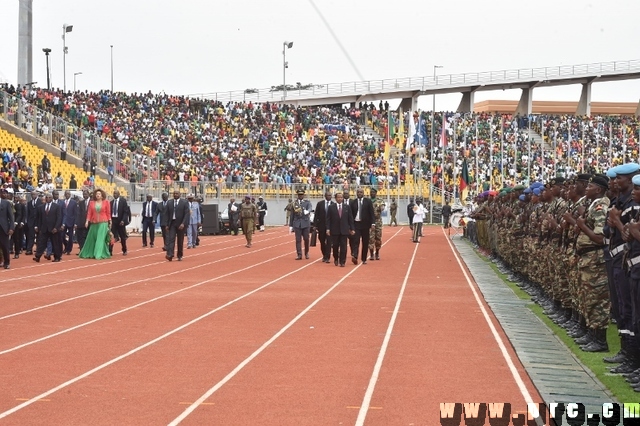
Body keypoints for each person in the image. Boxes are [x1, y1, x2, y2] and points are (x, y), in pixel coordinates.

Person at [79, 188, 112, 260]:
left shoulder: (106, 202)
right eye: (97, 194)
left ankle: (98, 254)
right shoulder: (92, 203)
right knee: (91, 238)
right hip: (94, 223)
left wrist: (110, 220)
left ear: (102, 195)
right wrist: (87, 221)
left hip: (103, 222)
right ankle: (90, 252)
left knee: (100, 238)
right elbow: (89, 213)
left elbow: (108, 213)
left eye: (99, 194)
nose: (98, 195)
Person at [326, 192, 355, 267]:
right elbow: (328, 219)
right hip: (334, 230)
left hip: (344, 230)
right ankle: (336, 258)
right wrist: (328, 229)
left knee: (344, 247)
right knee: (335, 246)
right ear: (335, 198)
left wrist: (352, 228)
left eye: (341, 197)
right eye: (338, 197)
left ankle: (342, 261)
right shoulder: (331, 207)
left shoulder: (347, 207)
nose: (340, 199)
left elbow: (350, 218)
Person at [33, 193, 62, 262]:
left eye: (49, 197)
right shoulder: (41, 207)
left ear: (52, 198)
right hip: (44, 228)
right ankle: (38, 256)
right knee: (41, 243)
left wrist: (56, 227)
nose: (48, 198)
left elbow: (59, 218)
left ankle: (57, 257)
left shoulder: (57, 206)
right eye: (47, 197)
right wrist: (37, 226)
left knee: (55, 243)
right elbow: (38, 218)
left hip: (53, 229)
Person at [349, 188, 375, 265]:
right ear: (356, 193)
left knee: (365, 242)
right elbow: (350, 215)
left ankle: (364, 258)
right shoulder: (353, 202)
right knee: (356, 241)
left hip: (365, 225)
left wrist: (373, 223)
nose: (359, 193)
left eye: (361, 192)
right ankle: (355, 257)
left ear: (363, 193)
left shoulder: (368, 201)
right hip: (356, 224)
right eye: (358, 192)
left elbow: (371, 213)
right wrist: (351, 226)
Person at [163, 190, 190, 261]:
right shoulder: (169, 202)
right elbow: (166, 214)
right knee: (171, 239)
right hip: (172, 223)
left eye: (177, 193)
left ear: (180, 194)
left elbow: (186, 214)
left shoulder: (184, 202)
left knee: (180, 240)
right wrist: (166, 224)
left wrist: (183, 223)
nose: (175, 195)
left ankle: (179, 255)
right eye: (174, 193)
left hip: (181, 224)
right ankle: (170, 254)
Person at [290, 189, 313, 260]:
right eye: (299, 195)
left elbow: (310, 208)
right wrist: (290, 225)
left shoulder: (307, 202)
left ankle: (306, 253)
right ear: (297, 195)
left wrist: (308, 211)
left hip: (305, 223)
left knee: (306, 239)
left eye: (301, 195)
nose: (300, 196)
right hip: (297, 224)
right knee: (298, 240)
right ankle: (299, 254)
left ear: (304, 195)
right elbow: (292, 215)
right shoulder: (294, 203)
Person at [313, 191, 333, 263]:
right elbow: (316, 215)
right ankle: (324, 254)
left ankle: (327, 257)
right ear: (325, 196)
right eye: (328, 195)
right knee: (322, 241)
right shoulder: (320, 204)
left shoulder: (333, 204)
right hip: (321, 226)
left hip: (330, 227)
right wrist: (315, 225)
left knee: (329, 242)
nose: (329, 197)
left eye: (330, 195)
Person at [110, 189, 129, 255]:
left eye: (116, 193)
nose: (114, 195)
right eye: (114, 193)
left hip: (120, 220)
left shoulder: (123, 201)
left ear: (119, 194)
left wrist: (123, 220)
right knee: (111, 236)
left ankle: (124, 250)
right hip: (113, 220)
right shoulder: (111, 202)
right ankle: (110, 251)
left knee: (122, 236)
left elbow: (125, 212)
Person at [368, 188, 385, 260]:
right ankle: (371, 254)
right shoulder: (367, 201)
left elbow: (382, 208)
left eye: (373, 192)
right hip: (369, 222)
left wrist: (380, 207)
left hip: (378, 221)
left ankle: (377, 253)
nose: (372, 194)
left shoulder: (380, 201)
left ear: (376, 193)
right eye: (371, 192)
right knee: (370, 238)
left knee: (378, 238)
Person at [0, 189, 15, 269]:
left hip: (3, 228)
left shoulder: (6, 203)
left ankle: (7, 262)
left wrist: (11, 227)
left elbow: (11, 217)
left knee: (5, 246)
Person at [60, 190, 78, 255]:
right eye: (66, 194)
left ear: (70, 195)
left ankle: (69, 249)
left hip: (71, 221)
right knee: (61, 236)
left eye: (68, 194)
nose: (67, 195)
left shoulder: (74, 202)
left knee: (70, 237)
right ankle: (66, 245)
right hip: (63, 222)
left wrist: (75, 222)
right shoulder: (62, 202)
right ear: (65, 194)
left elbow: (76, 213)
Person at [25, 191, 41, 255]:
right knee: (31, 236)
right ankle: (29, 250)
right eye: (32, 194)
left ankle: (38, 250)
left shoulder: (40, 202)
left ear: (37, 194)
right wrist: (28, 222)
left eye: (34, 194)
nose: (33, 195)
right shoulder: (29, 203)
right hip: (31, 222)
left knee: (39, 237)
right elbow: (28, 213)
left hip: (38, 222)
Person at [12, 194, 25, 259]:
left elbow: (20, 215)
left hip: (16, 224)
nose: (15, 198)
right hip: (10, 223)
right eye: (15, 197)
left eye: (17, 197)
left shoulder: (20, 205)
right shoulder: (11, 203)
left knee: (17, 238)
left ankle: (17, 252)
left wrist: (16, 222)